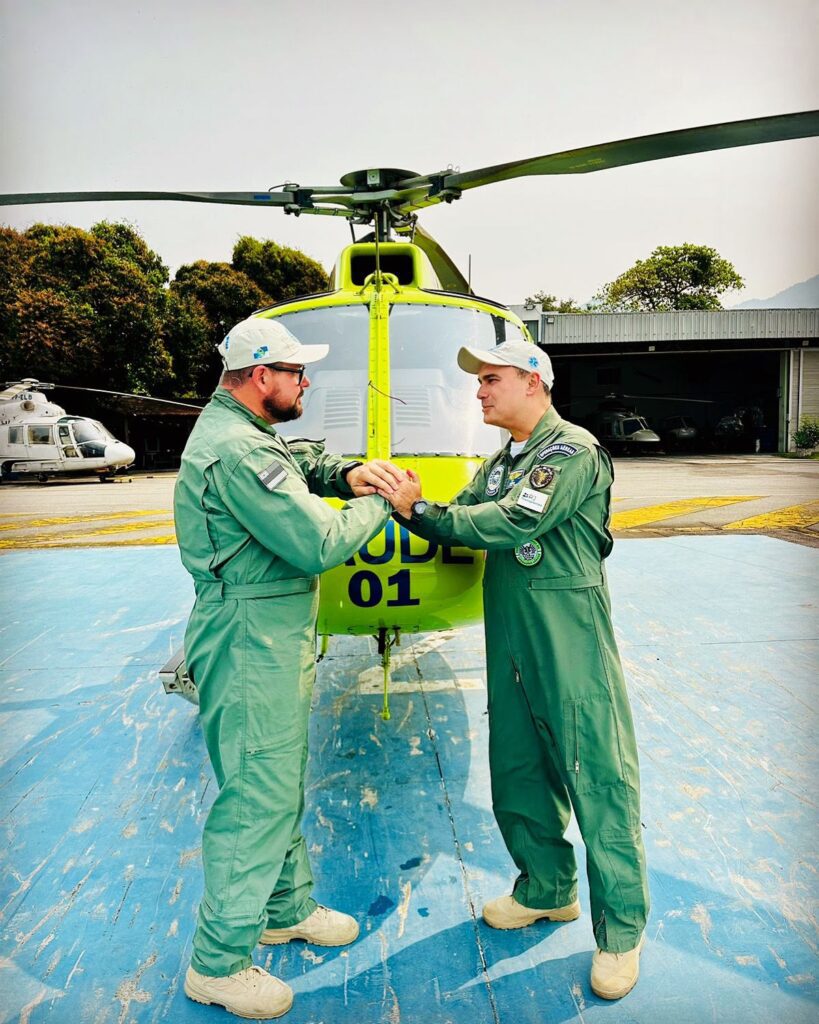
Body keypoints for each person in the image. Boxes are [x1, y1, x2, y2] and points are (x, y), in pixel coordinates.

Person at [385, 339, 650, 1001]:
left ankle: (620, 933)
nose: (478, 390)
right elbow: (463, 514)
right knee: (518, 770)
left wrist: (421, 511)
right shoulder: (504, 459)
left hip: (568, 639)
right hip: (510, 637)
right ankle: (545, 889)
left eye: (490, 379)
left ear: (533, 381)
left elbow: (503, 523)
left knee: (598, 776)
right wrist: (411, 509)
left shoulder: (569, 451)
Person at [174, 316, 415, 1019]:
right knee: (257, 796)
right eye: (295, 372)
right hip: (250, 640)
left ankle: (283, 906)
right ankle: (216, 963)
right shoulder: (235, 452)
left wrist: (342, 470)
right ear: (259, 377)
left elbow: (292, 462)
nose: (304, 381)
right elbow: (314, 541)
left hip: (269, 635)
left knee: (275, 778)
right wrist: (379, 500)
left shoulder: (246, 434)